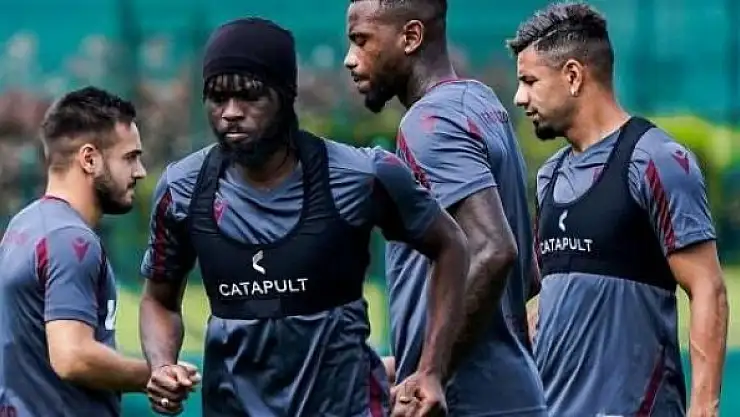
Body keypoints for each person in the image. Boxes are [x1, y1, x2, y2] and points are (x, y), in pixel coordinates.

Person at [139, 17, 469, 417]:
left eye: (249, 97)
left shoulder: (361, 176)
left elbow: (451, 246)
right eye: (217, 97)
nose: (230, 113)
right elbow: (159, 301)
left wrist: (431, 370)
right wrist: (162, 365)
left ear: (285, 95)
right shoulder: (182, 188)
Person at [508, 3, 728, 416]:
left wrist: (703, 408)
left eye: (529, 81)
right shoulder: (549, 176)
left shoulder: (657, 160)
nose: (520, 98)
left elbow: (707, 289)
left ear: (573, 75)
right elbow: (560, 294)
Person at [344, 1, 547, 416]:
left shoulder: (429, 123)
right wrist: (411, 362)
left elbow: (495, 251)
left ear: (411, 37)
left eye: (362, 40)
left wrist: (431, 371)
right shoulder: (481, 103)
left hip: (468, 403)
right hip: (512, 393)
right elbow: (527, 277)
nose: (350, 58)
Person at [0, 86, 155, 416]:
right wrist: (155, 375)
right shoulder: (72, 240)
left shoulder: (23, 226)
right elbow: (73, 357)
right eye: (130, 157)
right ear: (89, 159)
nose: (140, 171)